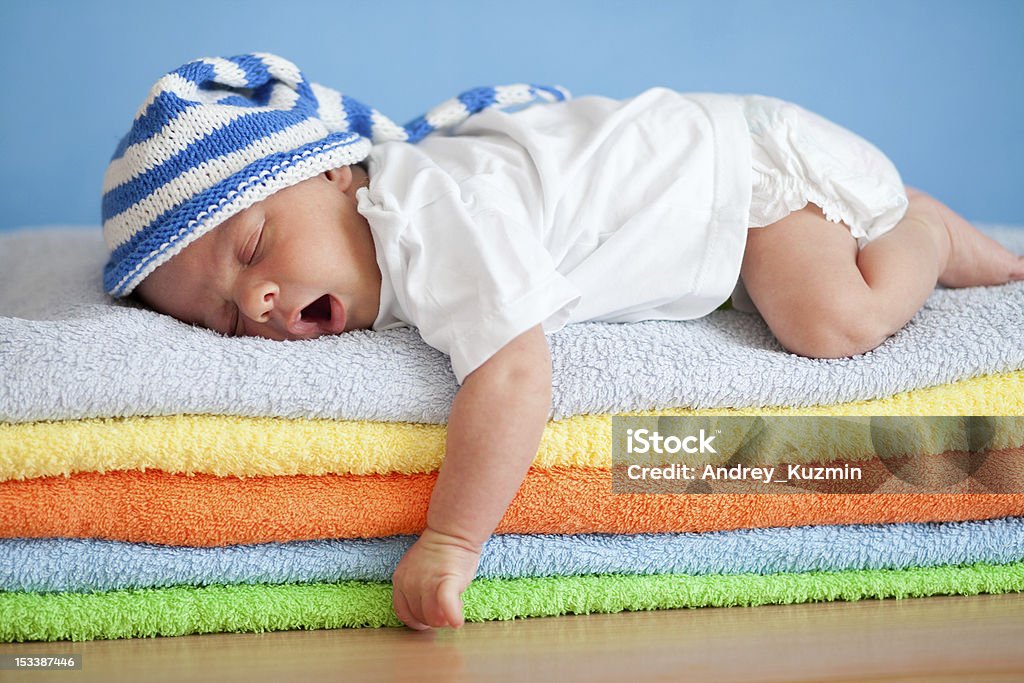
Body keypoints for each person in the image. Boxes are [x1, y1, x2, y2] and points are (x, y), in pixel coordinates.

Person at [103, 53, 1024, 631]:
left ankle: (923, 237)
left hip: (742, 175)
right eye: (223, 315)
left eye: (253, 246)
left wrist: (452, 540)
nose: (257, 298)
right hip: (705, 163)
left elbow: (514, 373)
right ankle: (915, 230)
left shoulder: (425, 214)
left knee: (833, 323)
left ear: (335, 171)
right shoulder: (383, 224)